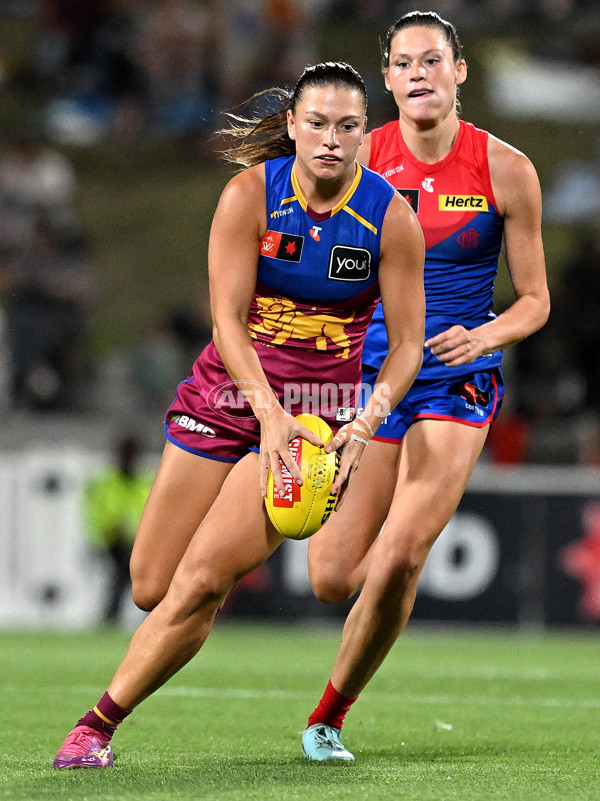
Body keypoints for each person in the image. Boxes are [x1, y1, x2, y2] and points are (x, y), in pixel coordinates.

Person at [52, 60, 426, 769]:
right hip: (225, 397)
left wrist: (365, 421)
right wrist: (265, 411)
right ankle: (181, 619)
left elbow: (407, 344)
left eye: (347, 126)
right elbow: (224, 320)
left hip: (313, 419)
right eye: (316, 123)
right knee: (151, 584)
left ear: (365, 134)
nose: (330, 139)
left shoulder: (390, 217)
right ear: (291, 125)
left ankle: (95, 727)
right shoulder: (250, 196)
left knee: (201, 581)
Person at [301, 11, 550, 761]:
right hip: (373, 378)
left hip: (457, 379)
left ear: (458, 72)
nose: (419, 74)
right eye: (405, 63)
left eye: (433, 60)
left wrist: (486, 334)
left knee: (404, 552)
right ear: (387, 80)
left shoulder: (507, 169)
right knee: (331, 576)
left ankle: (327, 718)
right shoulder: (360, 162)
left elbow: (536, 299)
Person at [83, 433, 153, 625]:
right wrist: (112, 532)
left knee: (148, 570)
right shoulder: (106, 482)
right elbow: (97, 514)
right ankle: (112, 614)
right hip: (111, 542)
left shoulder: (144, 482)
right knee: (123, 568)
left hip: (140, 543)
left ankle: (137, 615)